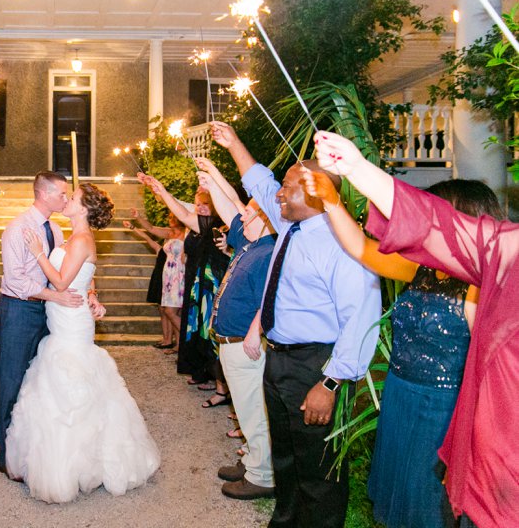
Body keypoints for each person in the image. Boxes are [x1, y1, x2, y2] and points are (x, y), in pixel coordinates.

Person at [311, 129, 519, 528]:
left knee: (425, 505)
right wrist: (332, 201)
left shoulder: (483, 286)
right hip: (402, 394)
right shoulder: (422, 271)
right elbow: (360, 248)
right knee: (398, 499)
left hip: (442, 409)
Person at [211, 121, 381, 528]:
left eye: (288, 185)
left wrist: (330, 383)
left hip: (317, 366)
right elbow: (259, 183)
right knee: (286, 457)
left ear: (317, 191)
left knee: (318, 468)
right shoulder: (290, 225)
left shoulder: (345, 245)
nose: (279, 193)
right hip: (280, 360)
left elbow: (362, 319)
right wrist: (234, 143)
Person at [5, 184, 161, 502]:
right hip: (66, 316)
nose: (68, 200)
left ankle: (73, 464)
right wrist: (92, 294)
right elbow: (84, 277)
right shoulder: (75, 238)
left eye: (73, 198)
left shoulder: (81, 239)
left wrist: (37, 252)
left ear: (85, 209)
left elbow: (61, 282)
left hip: (70, 323)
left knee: (71, 381)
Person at [0, 171, 104, 476]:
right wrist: (53, 296)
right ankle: (7, 453)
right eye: (62, 194)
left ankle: (35, 448)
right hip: (19, 309)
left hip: (51, 313)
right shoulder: (18, 228)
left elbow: (80, 268)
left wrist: (91, 292)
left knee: (39, 381)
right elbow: (15, 280)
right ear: (44, 194)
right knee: (11, 379)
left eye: (71, 196)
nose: (66, 199)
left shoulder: (57, 229)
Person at [195, 157, 277, 500]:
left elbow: (270, 298)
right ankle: (252, 460)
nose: (242, 215)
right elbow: (231, 205)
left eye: (251, 211)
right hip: (229, 342)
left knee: (256, 411)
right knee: (245, 408)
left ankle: (263, 475)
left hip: (245, 343)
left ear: (265, 218)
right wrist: (212, 177)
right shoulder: (250, 243)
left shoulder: (271, 249)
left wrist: (255, 331)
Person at [138, 176, 232, 399]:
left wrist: (162, 190)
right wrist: (159, 190)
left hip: (212, 284)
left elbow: (182, 213)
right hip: (196, 282)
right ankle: (204, 373)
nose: (199, 207)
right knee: (197, 330)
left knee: (209, 332)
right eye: (198, 202)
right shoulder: (198, 224)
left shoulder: (219, 225)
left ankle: (221, 385)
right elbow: (182, 213)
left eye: (204, 203)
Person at [124, 208, 186, 350]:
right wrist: (138, 217)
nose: (170, 218)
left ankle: (187, 343)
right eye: (169, 216)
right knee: (170, 311)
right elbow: (150, 229)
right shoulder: (168, 233)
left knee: (171, 311)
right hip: (167, 275)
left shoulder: (187, 233)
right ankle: (178, 345)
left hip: (180, 274)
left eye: (173, 216)